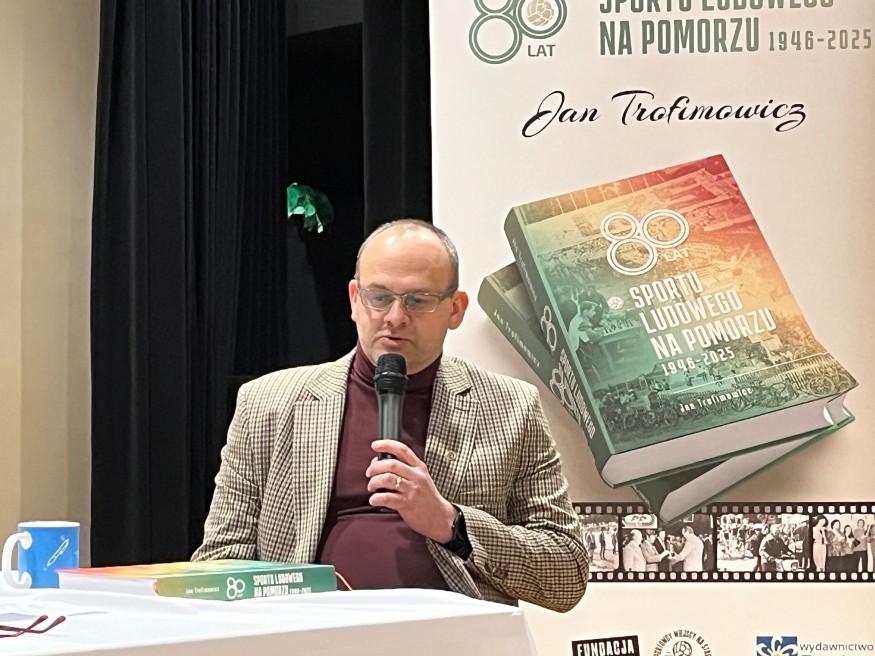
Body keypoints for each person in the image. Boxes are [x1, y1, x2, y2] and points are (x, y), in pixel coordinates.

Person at [192, 219, 588, 612]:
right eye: (379, 297)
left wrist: (451, 524)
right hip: (309, 630)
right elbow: (221, 559)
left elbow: (566, 574)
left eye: (417, 300)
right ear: (354, 300)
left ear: (455, 309)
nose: (395, 316)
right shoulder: (268, 403)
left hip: (450, 635)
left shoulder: (511, 407)